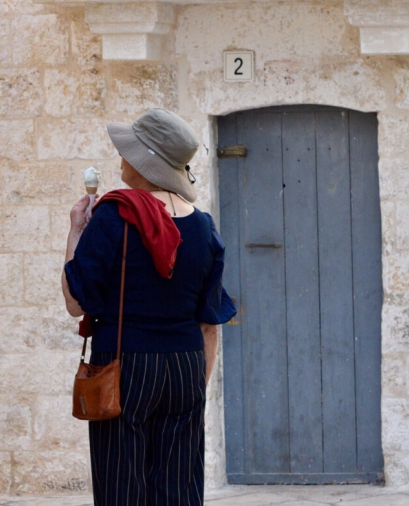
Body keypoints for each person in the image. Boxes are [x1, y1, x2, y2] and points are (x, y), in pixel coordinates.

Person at [62, 108, 236, 506]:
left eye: (129, 151)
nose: (121, 157)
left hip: (125, 365)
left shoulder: (111, 216)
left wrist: (75, 231)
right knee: (178, 489)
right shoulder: (204, 226)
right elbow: (210, 324)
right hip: (186, 365)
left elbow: (75, 303)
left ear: (144, 162)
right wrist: (194, 388)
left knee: (122, 488)